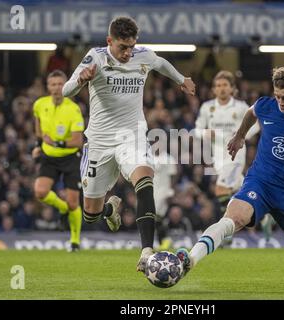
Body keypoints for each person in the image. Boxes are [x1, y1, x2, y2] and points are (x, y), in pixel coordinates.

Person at [176, 65, 284, 285]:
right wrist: (240, 135)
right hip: (258, 183)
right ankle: (188, 261)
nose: (282, 102)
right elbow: (251, 113)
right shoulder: (266, 105)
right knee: (232, 219)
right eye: (278, 96)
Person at [62, 16, 196, 272]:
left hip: (131, 136)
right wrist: (82, 79)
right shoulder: (95, 57)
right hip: (99, 141)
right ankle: (111, 208)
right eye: (122, 47)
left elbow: (161, 64)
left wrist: (181, 79)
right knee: (90, 214)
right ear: (109, 41)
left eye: (131, 46)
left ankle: (147, 252)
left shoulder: (143, 55)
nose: (127, 52)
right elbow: (66, 91)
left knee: (145, 180)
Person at [195, 70, 259, 219]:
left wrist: (241, 136)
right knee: (240, 188)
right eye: (218, 85)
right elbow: (197, 129)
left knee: (221, 189)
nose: (221, 88)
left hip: (234, 154)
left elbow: (255, 126)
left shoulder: (241, 106)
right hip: (217, 157)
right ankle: (267, 210)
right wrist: (205, 133)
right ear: (214, 89)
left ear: (232, 88)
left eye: (225, 85)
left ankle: (227, 227)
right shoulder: (207, 107)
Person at [32, 70, 84, 252]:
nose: (56, 88)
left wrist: (56, 142)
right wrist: (38, 145)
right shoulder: (39, 104)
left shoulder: (73, 109)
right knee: (40, 192)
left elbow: (78, 142)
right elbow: (38, 128)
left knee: (73, 203)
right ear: (47, 87)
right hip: (49, 157)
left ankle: (75, 241)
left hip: (70, 157)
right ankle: (62, 209)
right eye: (52, 84)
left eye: (60, 84)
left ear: (66, 85)